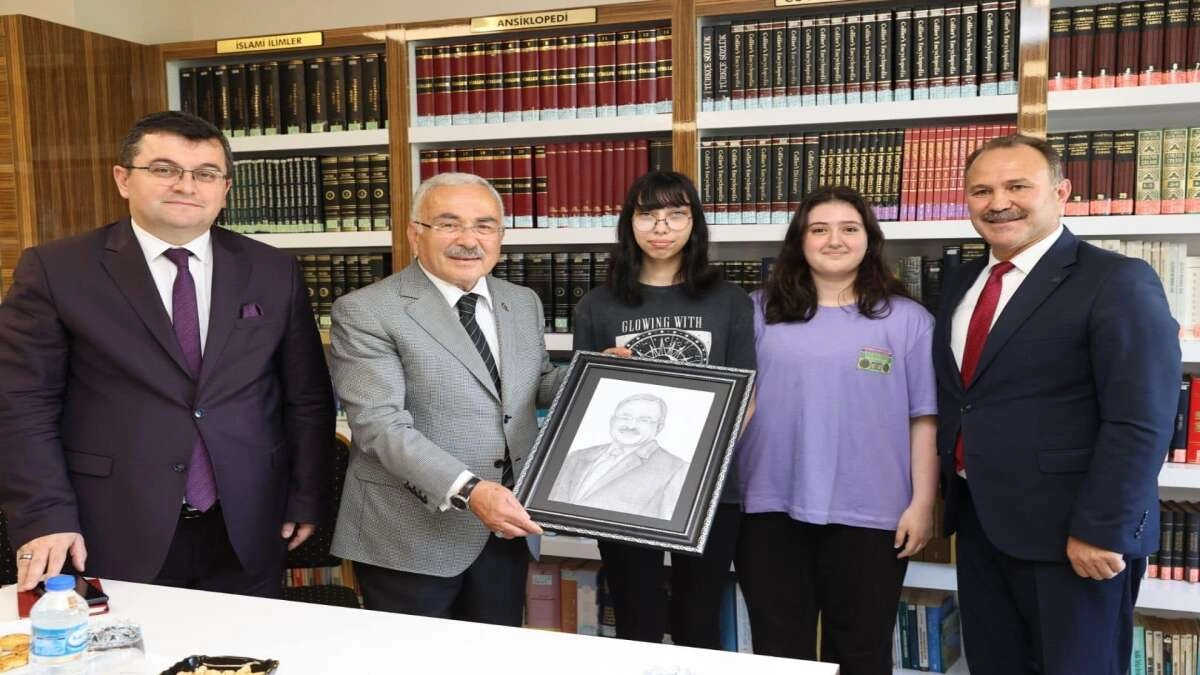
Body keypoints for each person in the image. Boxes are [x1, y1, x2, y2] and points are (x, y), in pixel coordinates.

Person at [0, 111, 335, 597]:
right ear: (123, 179)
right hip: (110, 524)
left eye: (206, 173)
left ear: (225, 189)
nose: (186, 185)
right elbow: (21, 405)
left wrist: (305, 495)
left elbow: (305, 397)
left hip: (248, 522)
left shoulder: (273, 270)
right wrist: (45, 515)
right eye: (163, 169)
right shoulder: (57, 270)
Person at [935, 135, 1179, 675]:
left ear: (1061, 192)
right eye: (981, 190)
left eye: (1017, 186)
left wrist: (1102, 528)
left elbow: (1142, 418)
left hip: (1074, 537)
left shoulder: (1115, 280)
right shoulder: (963, 283)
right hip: (980, 523)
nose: (999, 202)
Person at [328, 172, 562, 626]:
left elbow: (536, 384)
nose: (468, 240)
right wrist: (471, 491)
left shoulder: (522, 301)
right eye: (449, 224)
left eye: (484, 226)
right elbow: (380, 426)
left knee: (495, 654)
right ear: (415, 233)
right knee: (415, 659)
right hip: (408, 535)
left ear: (500, 235)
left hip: (504, 528)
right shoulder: (366, 310)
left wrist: (602, 374)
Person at [734, 185, 938, 674]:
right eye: (819, 229)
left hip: (873, 514)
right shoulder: (755, 311)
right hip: (768, 507)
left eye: (849, 228)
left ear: (869, 239)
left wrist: (923, 505)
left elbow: (924, 419)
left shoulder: (908, 320)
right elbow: (727, 405)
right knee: (778, 654)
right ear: (799, 240)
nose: (834, 240)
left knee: (862, 654)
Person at [572, 170, 756, 648]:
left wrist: (701, 464)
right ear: (628, 223)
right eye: (648, 215)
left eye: (676, 214)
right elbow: (583, 403)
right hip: (622, 490)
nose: (661, 227)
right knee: (637, 619)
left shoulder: (730, 300)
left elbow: (747, 396)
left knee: (700, 620)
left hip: (711, 489)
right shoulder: (597, 305)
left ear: (694, 223)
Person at [549, 393, 688, 519]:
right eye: (625, 417)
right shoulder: (576, 456)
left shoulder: (676, 469)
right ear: (612, 420)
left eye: (644, 420)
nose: (630, 425)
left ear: (659, 427)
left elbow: (670, 524)